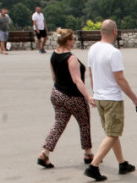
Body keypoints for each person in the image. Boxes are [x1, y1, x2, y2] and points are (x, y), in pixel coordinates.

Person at [84, 19, 137, 182]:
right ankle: (94, 166)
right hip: (112, 98)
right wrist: (135, 99)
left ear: (101, 32)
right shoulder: (113, 52)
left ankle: (122, 163)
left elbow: (91, 73)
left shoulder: (93, 49)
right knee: (112, 133)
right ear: (115, 32)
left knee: (112, 132)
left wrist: (94, 92)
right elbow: (120, 79)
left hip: (100, 97)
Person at [37, 28, 95, 169]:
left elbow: (54, 77)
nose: (74, 41)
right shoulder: (71, 58)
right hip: (73, 96)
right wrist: (87, 96)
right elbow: (77, 80)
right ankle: (88, 153)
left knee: (59, 124)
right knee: (84, 123)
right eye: (73, 39)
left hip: (57, 94)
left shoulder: (54, 55)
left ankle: (45, 153)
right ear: (67, 41)